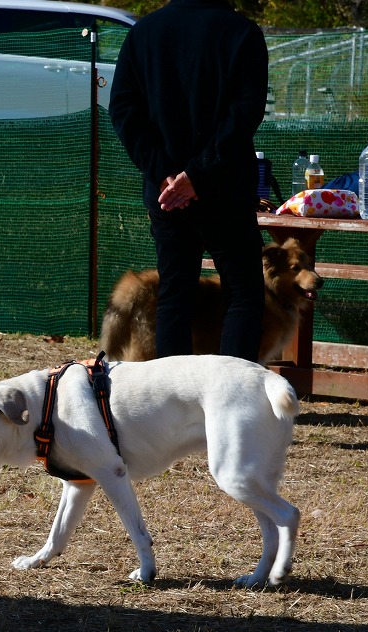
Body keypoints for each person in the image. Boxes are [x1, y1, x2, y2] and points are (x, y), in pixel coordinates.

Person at [108, 0, 269, 362]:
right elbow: (244, 113)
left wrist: (165, 173)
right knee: (243, 295)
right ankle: (232, 399)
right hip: (225, 189)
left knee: (174, 297)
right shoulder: (242, 33)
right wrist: (197, 175)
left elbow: (122, 109)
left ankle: (173, 402)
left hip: (166, 196)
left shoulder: (144, 33)